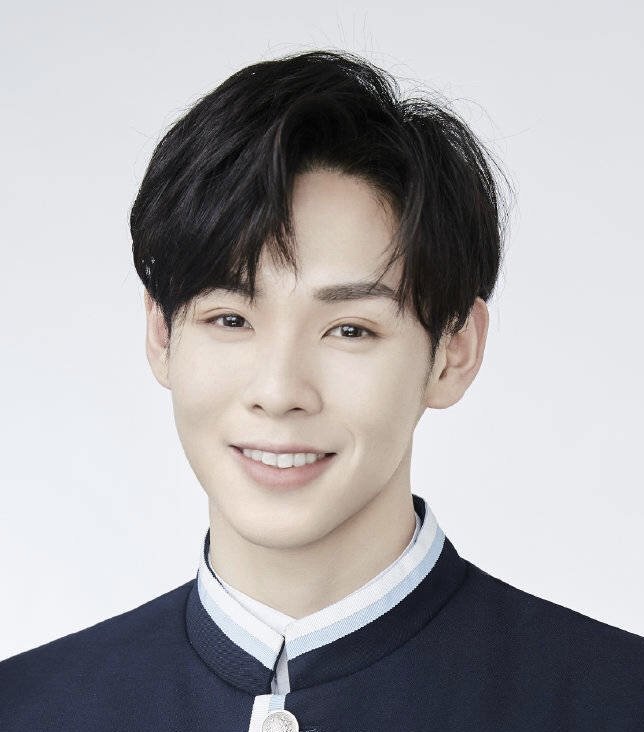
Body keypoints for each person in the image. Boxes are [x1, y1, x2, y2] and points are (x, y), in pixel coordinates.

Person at [1, 49, 642, 732]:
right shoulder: (27, 707)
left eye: (350, 330)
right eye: (230, 319)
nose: (279, 392)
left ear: (454, 352)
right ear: (161, 334)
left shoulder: (617, 701)